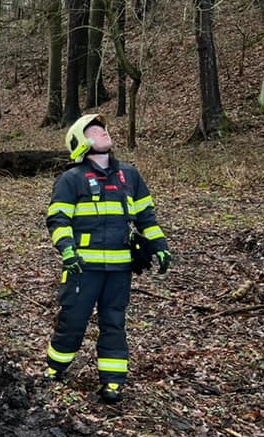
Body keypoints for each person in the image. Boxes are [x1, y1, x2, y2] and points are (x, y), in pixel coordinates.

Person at [44, 114, 172, 404]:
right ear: (80, 143)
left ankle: (113, 383)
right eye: (94, 130)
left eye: (103, 128)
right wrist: (66, 249)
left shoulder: (130, 176)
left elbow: (146, 218)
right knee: (72, 322)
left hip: (119, 270)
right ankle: (55, 369)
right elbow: (58, 219)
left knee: (114, 323)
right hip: (82, 268)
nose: (103, 132)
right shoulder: (70, 179)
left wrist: (160, 246)